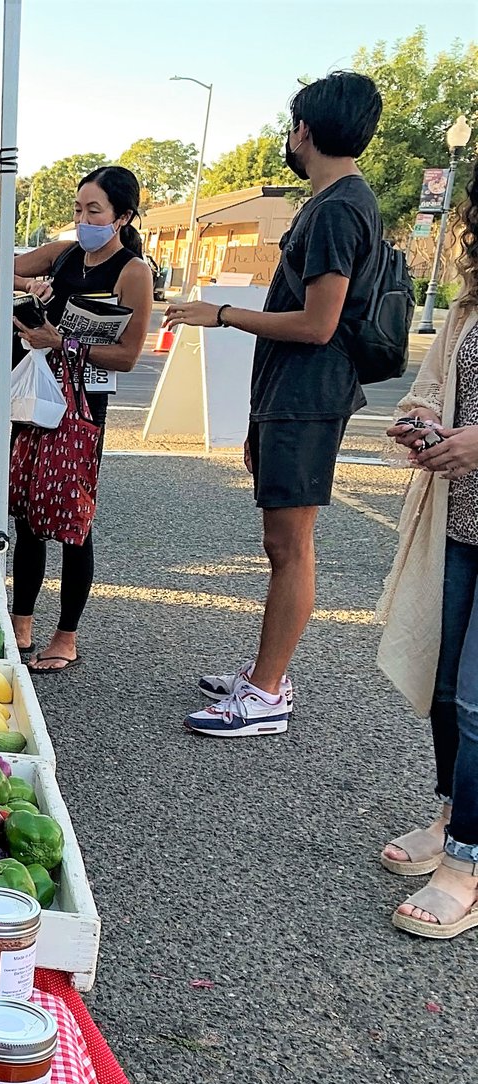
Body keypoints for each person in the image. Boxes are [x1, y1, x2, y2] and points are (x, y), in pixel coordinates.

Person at [167, 70, 384, 735]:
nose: (290, 138)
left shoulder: (335, 209)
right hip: (295, 396)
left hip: (308, 396)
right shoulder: (342, 202)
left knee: (290, 546)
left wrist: (222, 313)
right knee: (282, 542)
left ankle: (265, 695)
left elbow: (319, 323)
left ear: (306, 131)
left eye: (293, 126)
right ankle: (266, 676)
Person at [0, 166, 155, 673]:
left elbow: (126, 355)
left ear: (122, 216)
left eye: (94, 210)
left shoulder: (131, 272)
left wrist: (65, 341)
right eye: (78, 209)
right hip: (37, 396)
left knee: (74, 521)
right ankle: (22, 623)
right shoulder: (63, 254)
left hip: (82, 407)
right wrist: (31, 281)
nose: (83, 219)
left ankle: (66, 635)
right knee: (29, 514)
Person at [375, 158, 478, 936]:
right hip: (456, 522)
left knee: (476, 701)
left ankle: (467, 864)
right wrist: (421, 424)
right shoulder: (471, 301)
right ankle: (450, 816)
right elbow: (434, 385)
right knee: (444, 688)